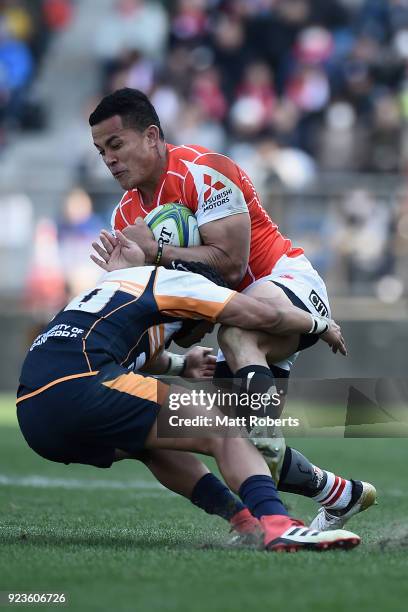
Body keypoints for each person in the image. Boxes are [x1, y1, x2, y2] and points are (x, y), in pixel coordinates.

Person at [88, 88, 376, 530]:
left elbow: (231, 263)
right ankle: (339, 494)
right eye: (101, 151)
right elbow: (177, 308)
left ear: (150, 136)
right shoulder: (126, 216)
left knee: (236, 334)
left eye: (116, 144)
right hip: (234, 313)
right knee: (216, 435)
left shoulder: (206, 171)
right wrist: (128, 286)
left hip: (284, 284)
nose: (108, 160)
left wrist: (155, 253)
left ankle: (267, 440)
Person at [16, 231, 360, 552]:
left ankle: (244, 523)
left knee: (150, 444)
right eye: (206, 327)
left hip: (34, 414)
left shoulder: (116, 290)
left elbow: (141, 353)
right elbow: (264, 315)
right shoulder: (182, 283)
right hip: (83, 383)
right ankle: (276, 522)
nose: (203, 334)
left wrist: (182, 366)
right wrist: (320, 324)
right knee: (226, 431)